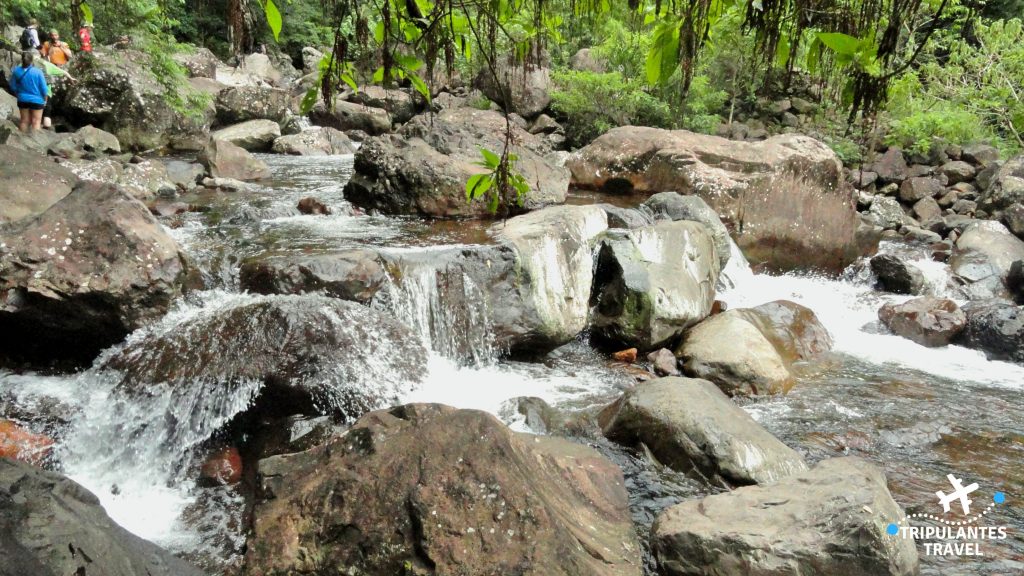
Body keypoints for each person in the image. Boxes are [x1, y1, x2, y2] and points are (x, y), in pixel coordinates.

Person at [8, 51, 48, 132]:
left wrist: (19, 94)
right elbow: (44, 89)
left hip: (22, 99)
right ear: (32, 60)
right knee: (36, 122)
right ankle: (34, 143)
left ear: (22, 60)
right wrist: (45, 99)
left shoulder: (16, 71)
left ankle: (21, 140)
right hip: (37, 100)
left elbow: (12, 86)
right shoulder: (38, 72)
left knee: (24, 121)